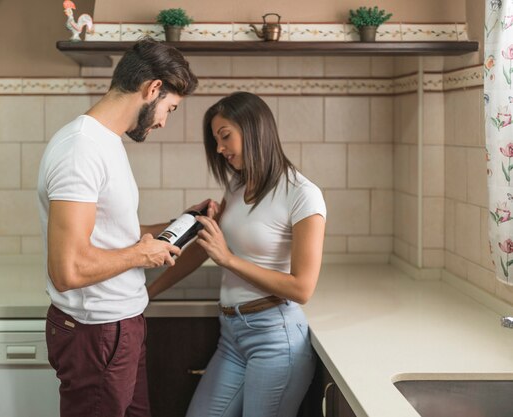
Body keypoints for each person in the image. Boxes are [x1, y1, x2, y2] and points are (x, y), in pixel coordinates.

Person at [37, 38, 207, 417]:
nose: (164, 120)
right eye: (170, 108)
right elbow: (68, 270)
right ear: (152, 89)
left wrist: (184, 221)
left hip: (118, 328)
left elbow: (113, 231)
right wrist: (141, 255)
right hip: (97, 332)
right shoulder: (81, 149)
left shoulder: (106, 143)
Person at [148, 91, 327, 417]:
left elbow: (302, 288)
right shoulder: (236, 186)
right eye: (216, 139)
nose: (219, 148)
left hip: (275, 338)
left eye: (225, 136)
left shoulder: (303, 196)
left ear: (255, 129)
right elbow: (206, 248)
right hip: (231, 335)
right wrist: (148, 294)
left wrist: (228, 258)